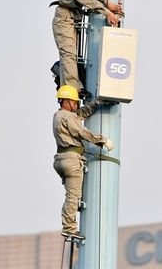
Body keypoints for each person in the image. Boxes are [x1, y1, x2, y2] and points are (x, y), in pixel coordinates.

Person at [51, 0, 122, 96]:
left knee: (74, 58)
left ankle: (65, 75)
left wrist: (108, 2)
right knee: (69, 55)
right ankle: (73, 89)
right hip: (64, 19)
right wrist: (107, 13)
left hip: (73, 17)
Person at [52, 85, 114, 240]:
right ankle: (69, 228)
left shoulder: (59, 116)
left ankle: (70, 216)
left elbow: (79, 115)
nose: (76, 104)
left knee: (71, 195)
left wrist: (95, 103)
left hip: (61, 159)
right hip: (71, 160)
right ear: (65, 102)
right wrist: (102, 140)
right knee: (73, 196)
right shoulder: (68, 117)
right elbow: (81, 131)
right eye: (73, 102)